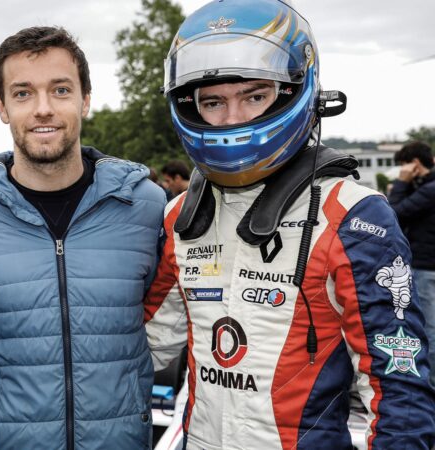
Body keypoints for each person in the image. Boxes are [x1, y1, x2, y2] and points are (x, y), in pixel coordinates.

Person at [144, 1, 435, 448]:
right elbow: (136, 353)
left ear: (295, 90)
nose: (233, 118)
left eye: (255, 95)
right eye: (213, 101)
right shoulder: (180, 214)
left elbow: (399, 386)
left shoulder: (353, 215)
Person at [0, 26, 166, 449]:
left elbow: (166, 320)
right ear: (2, 107)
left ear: (86, 100)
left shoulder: (146, 206)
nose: (43, 109)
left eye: (60, 90)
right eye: (23, 93)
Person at [389, 141, 435, 388]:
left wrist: (401, 184)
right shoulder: (426, 188)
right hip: (426, 266)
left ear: (415, 163)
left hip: (427, 268)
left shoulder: (429, 190)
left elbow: (393, 214)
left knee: (428, 329)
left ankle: (430, 385)